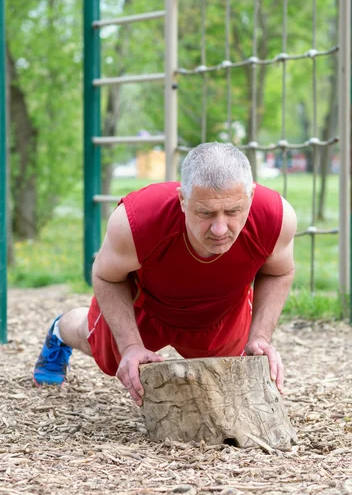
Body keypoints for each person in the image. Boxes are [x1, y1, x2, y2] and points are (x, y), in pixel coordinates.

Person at [33, 142, 296, 405]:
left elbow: (278, 272)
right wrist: (130, 347)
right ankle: (61, 329)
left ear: (250, 195)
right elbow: (106, 276)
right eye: (205, 212)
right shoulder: (138, 220)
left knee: (228, 383)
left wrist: (260, 337)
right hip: (146, 306)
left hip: (221, 312)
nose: (219, 228)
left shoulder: (275, 217)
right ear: (183, 200)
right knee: (103, 352)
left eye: (232, 211)